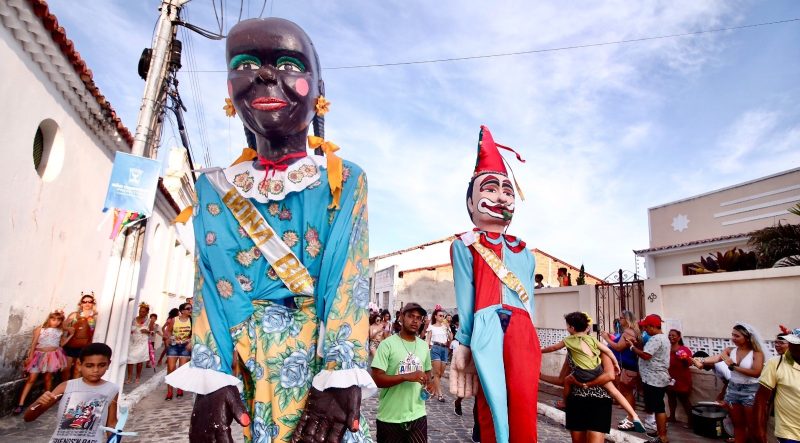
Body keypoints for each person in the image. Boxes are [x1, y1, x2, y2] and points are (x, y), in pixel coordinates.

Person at [164, 18, 376, 442]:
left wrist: (337, 376)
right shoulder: (214, 187)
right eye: (244, 64)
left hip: (317, 368)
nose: (264, 75)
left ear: (318, 91)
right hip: (246, 369)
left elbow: (346, 280)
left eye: (287, 63)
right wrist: (214, 379)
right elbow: (212, 286)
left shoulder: (344, 179)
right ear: (229, 91)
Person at [450, 126, 540, 443]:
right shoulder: (464, 245)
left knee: (525, 403)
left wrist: (532, 335)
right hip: (486, 324)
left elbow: (530, 300)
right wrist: (462, 343)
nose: (501, 197)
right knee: (491, 407)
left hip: (522, 327)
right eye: (490, 189)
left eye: (508, 191)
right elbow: (466, 297)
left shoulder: (524, 250)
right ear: (471, 204)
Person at [541, 312, 646, 432]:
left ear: (572, 328)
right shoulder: (592, 339)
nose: (567, 327)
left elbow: (553, 348)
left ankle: (565, 403)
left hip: (583, 372)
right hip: (597, 371)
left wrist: (540, 350)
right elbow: (608, 350)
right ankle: (634, 416)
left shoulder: (568, 340)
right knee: (615, 392)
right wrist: (616, 364)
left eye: (567, 325)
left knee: (567, 380)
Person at [25, 343, 119, 443]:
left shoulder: (112, 389)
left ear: (108, 364)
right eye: (89, 366)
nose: (95, 370)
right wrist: (38, 403)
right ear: (79, 364)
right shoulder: (66, 387)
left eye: (101, 365)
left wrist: (115, 440)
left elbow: (111, 424)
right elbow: (28, 417)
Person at [693, 323, 766, 443]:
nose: (733, 338)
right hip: (733, 389)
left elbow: (756, 372)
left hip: (751, 390)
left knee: (753, 426)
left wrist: (733, 367)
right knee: (737, 424)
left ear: (747, 337)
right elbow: (716, 358)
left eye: (737, 336)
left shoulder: (757, 353)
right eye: (732, 335)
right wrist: (700, 360)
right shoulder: (730, 351)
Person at [371, 303, 433, 443]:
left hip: (417, 414)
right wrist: (407, 376)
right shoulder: (387, 344)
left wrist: (430, 384)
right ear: (401, 317)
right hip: (390, 417)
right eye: (411, 316)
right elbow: (377, 379)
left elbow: (428, 372)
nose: (415, 320)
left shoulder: (423, 346)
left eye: (419, 317)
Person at [13, 310, 71, 414]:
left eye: (59, 320)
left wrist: (70, 335)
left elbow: (62, 344)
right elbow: (34, 343)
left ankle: (47, 400)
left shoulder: (60, 331)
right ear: (49, 319)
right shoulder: (40, 329)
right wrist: (30, 357)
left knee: (48, 378)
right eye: (53, 319)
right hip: (38, 356)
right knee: (31, 379)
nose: (56, 322)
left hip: (52, 356)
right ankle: (20, 404)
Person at [626, 314, 670, 443]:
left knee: (658, 407)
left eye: (646, 327)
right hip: (655, 377)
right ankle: (660, 431)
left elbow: (646, 355)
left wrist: (632, 348)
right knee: (657, 407)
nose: (644, 330)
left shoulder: (656, 339)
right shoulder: (661, 338)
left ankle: (662, 437)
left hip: (654, 378)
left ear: (652, 326)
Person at [754, 327, 800, 443]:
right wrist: (760, 431)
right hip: (789, 432)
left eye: (796, 343)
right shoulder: (775, 363)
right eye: (791, 342)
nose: (792, 346)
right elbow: (761, 400)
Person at [62, 292, 98, 380]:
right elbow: (63, 325)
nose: (87, 304)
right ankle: (65, 387)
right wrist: (68, 328)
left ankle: (73, 390)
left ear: (93, 303)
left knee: (78, 369)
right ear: (81, 303)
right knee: (66, 368)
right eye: (84, 302)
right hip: (71, 344)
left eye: (90, 301)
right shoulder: (74, 314)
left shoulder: (95, 316)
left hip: (85, 346)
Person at [666, 329, 693, 427]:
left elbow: (689, 363)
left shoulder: (684, 349)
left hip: (682, 379)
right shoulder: (667, 349)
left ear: (679, 337)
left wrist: (684, 358)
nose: (671, 337)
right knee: (671, 398)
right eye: (669, 335)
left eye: (673, 335)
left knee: (684, 400)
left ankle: (691, 421)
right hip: (670, 378)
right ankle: (672, 416)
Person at [164, 302, 192, 400]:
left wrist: (190, 342)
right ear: (182, 311)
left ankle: (180, 389)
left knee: (182, 369)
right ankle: (169, 392)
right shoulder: (174, 320)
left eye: (191, 308)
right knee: (171, 369)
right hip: (174, 345)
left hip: (185, 346)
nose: (190, 310)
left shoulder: (192, 320)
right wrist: (169, 339)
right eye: (188, 309)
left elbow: (195, 333)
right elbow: (168, 331)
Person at [426, 307, 452, 402]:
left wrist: (448, 328)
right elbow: (428, 339)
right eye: (440, 315)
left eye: (443, 316)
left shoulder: (445, 327)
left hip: (444, 349)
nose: (442, 317)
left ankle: (431, 387)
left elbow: (451, 338)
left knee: (440, 373)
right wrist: (426, 350)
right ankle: (440, 394)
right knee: (437, 373)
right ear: (436, 316)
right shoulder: (431, 327)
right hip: (435, 348)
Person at [126, 302, 150, 384]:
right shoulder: (134, 319)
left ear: (147, 312)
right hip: (133, 341)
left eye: (143, 311)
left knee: (140, 361)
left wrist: (147, 331)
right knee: (130, 360)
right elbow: (130, 329)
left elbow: (153, 332)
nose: (141, 313)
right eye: (140, 311)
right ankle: (129, 377)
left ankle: (137, 377)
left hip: (142, 343)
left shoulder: (149, 321)